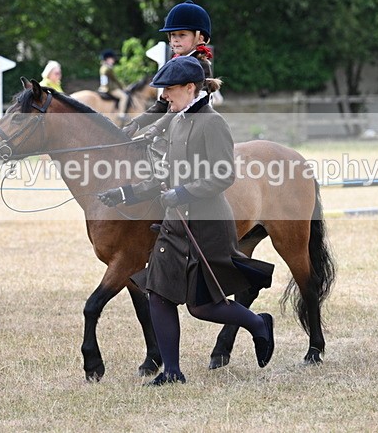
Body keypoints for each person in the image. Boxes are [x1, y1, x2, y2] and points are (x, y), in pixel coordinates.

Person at [96, 56, 275, 386]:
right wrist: (126, 194)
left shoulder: (212, 123)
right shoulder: (176, 120)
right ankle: (173, 372)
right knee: (159, 294)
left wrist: (182, 193)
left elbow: (224, 175)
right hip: (175, 225)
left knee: (202, 307)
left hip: (208, 226)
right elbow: (165, 175)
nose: (164, 96)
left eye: (169, 90)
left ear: (190, 88)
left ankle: (258, 324)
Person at [122, 0, 214, 140]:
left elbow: (187, 105)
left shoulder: (200, 65)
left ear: (199, 37)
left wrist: (157, 127)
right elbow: (162, 103)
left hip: (196, 130)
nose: (175, 40)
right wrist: (137, 123)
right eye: (172, 35)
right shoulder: (175, 63)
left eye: (182, 35)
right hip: (175, 128)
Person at [98, 49, 128, 120]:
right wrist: (122, 87)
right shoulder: (108, 68)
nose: (113, 60)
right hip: (111, 89)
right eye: (112, 59)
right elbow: (115, 80)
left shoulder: (103, 67)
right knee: (124, 97)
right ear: (107, 59)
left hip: (105, 87)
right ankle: (121, 114)